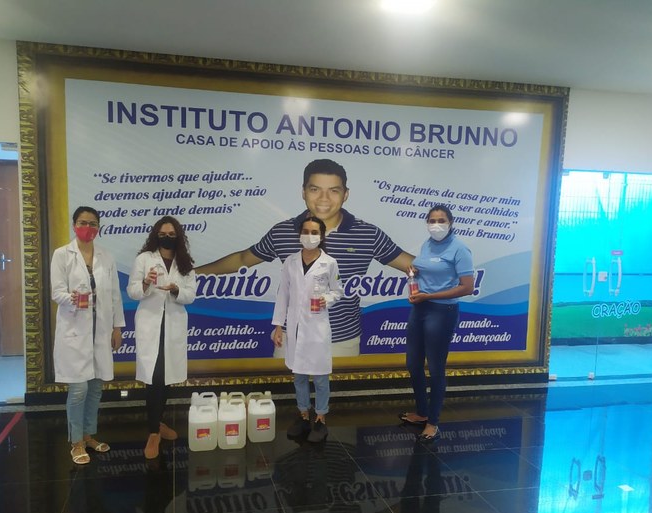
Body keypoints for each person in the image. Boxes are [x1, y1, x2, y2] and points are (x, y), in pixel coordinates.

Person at [197, 158, 413, 356]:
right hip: (291, 339)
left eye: (334, 191)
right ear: (303, 192)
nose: (324, 199)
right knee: (288, 388)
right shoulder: (283, 231)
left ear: (345, 194)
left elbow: (410, 265)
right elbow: (242, 260)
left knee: (334, 389)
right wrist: (192, 273)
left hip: (341, 342)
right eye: (315, 189)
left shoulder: (367, 234)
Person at [51, 206, 124, 465]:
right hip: (74, 331)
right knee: (78, 389)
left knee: (95, 388)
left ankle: (89, 435)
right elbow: (56, 292)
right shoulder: (62, 254)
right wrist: (72, 298)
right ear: (74, 225)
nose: (88, 227)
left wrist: (117, 327)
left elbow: (114, 294)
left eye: (93, 223)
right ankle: (76, 442)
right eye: (83, 222)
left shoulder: (106, 256)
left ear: (98, 228)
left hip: (100, 332)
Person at [400, 205, 474, 442]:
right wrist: (414, 272)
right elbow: (426, 270)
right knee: (413, 363)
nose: (436, 225)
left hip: (442, 311)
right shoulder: (427, 244)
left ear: (451, 222)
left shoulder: (460, 249)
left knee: (435, 367)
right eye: (432, 220)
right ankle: (422, 412)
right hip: (420, 308)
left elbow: (467, 287)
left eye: (441, 220)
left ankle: (433, 423)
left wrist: (430, 296)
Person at [127, 216, 197, 459]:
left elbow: (191, 295)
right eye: (163, 233)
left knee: (166, 378)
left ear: (178, 236)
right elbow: (132, 291)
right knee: (154, 377)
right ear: (156, 235)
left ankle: (159, 422)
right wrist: (146, 283)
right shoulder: (144, 259)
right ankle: (153, 433)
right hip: (150, 324)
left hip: (173, 325)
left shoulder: (185, 263)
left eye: (172, 234)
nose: (167, 237)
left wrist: (177, 290)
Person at [272, 216, 343, 442]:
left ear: (321, 236)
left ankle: (320, 418)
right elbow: (283, 294)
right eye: (305, 231)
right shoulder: (290, 262)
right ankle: (303, 414)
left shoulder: (329, 262)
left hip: (317, 328)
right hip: (294, 327)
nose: (309, 236)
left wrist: (326, 299)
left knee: (320, 378)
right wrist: (277, 326)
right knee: (299, 376)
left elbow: (338, 290)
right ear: (299, 234)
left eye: (314, 232)